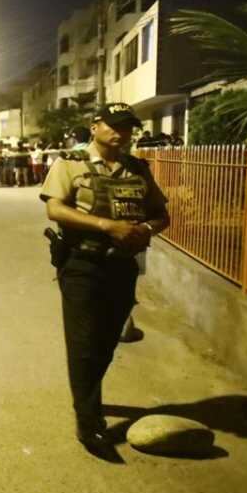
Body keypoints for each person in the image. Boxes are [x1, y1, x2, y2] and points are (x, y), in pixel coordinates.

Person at [40, 103, 170, 460]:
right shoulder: (70, 163)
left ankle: (86, 393)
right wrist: (106, 226)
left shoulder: (138, 170)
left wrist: (143, 229)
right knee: (83, 341)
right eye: (113, 126)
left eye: (127, 127)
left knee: (107, 340)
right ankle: (89, 422)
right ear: (95, 126)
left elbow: (162, 214)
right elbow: (55, 209)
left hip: (122, 266)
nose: (120, 133)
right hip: (81, 262)